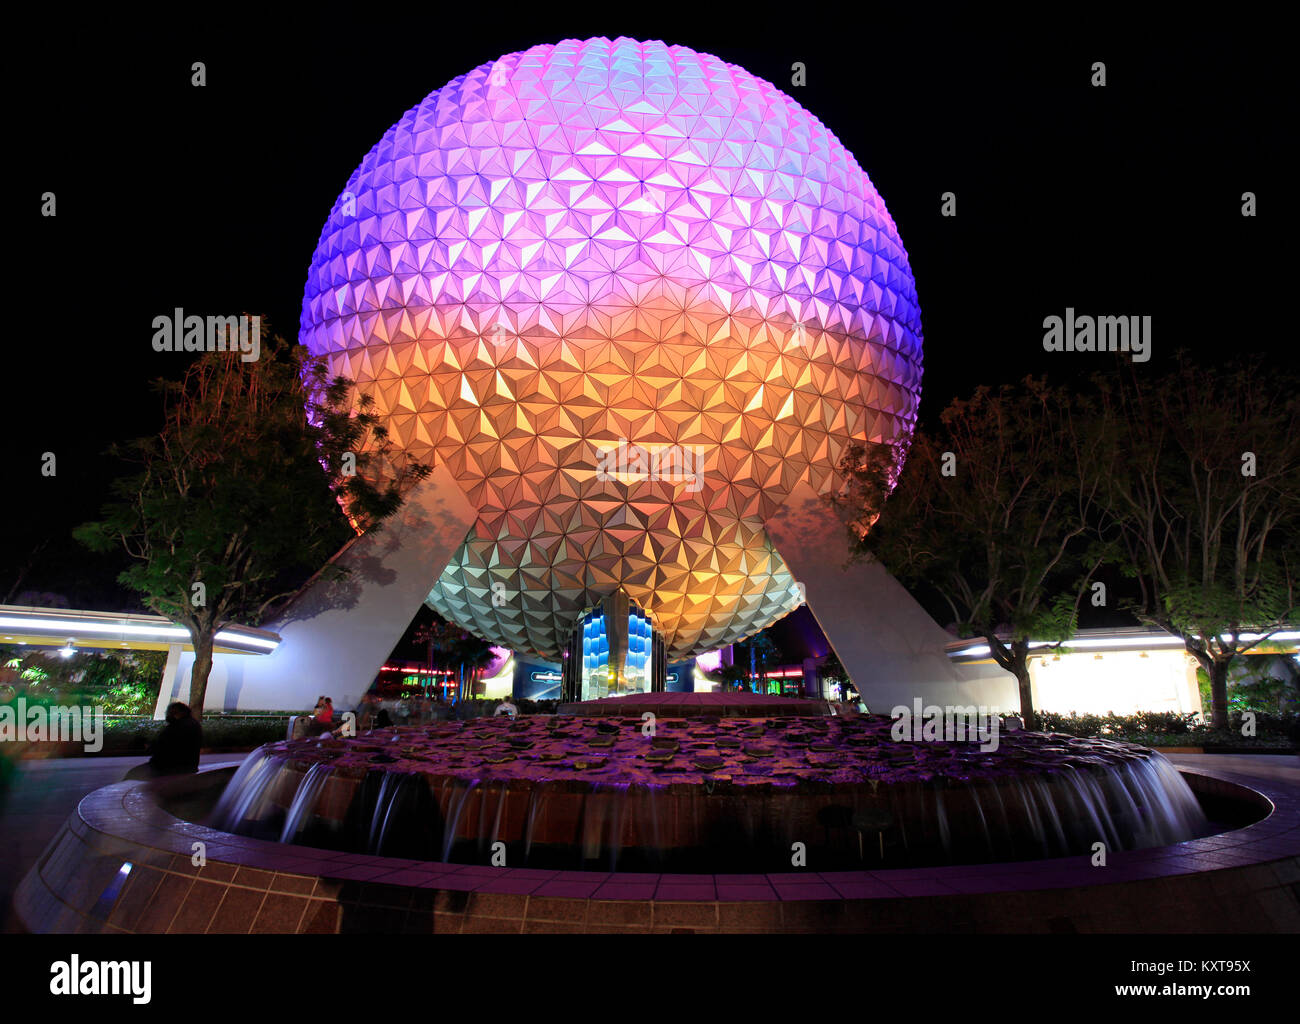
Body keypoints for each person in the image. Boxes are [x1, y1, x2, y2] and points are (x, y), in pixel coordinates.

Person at [125, 702, 202, 780]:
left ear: (176, 713)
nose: (167, 715)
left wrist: (148, 746)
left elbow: (161, 748)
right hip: (189, 767)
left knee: (133, 774)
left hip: (168, 768)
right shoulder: (194, 724)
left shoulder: (175, 727)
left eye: (169, 712)